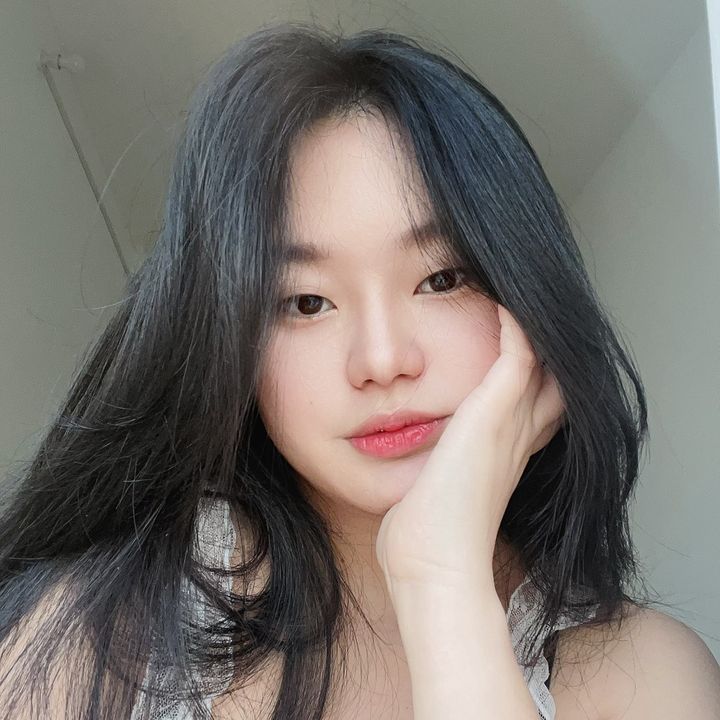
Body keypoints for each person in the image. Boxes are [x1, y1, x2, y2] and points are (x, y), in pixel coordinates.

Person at [0, 21, 718, 720]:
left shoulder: (649, 677)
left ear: (530, 295)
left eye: (442, 279)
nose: (381, 361)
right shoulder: (91, 647)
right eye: (306, 302)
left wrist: (441, 578)